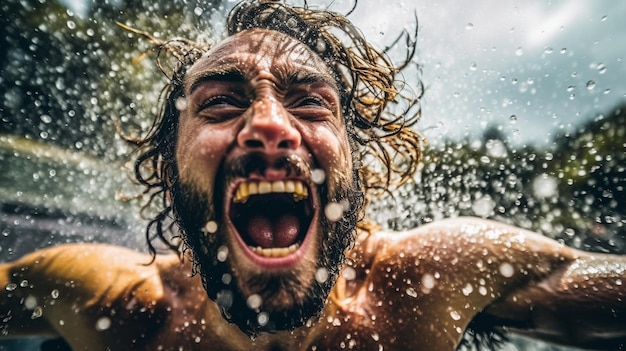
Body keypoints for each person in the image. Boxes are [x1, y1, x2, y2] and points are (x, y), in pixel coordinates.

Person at [1, 1, 625, 350]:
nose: (271, 125)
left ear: (357, 167)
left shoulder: (429, 286)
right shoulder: (113, 305)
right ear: (169, 172)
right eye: (220, 103)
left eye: (308, 101)